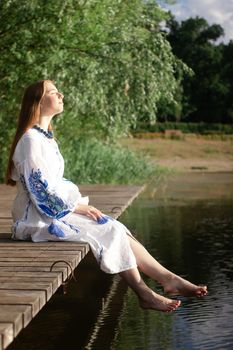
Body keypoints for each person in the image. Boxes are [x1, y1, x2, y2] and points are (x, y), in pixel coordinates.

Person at [6, 80, 207, 312]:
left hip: (51, 211)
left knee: (114, 227)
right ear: (38, 102)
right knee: (108, 228)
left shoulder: (45, 138)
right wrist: (78, 208)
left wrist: (76, 204)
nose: (61, 94)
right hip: (36, 219)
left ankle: (168, 279)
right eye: (53, 92)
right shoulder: (31, 140)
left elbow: (54, 183)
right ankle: (145, 293)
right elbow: (38, 187)